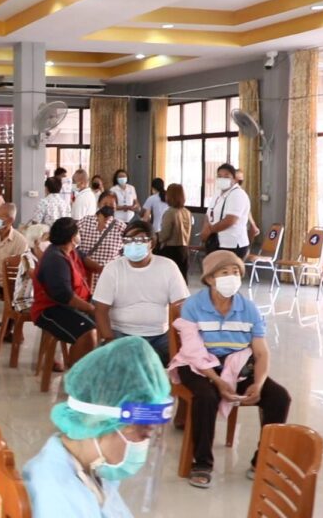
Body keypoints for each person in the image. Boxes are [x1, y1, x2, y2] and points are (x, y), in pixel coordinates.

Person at [168, 251, 291, 489]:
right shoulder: (193, 305)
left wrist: (259, 383)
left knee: (279, 397)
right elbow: (193, 350)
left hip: (236, 365)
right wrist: (217, 380)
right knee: (206, 396)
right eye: (224, 273)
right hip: (197, 365)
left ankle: (263, 461)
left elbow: (261, 353)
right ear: (210, 279)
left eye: (236, 272)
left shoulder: (249, 309)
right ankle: (202, 463)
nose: (232, 277)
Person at [23, 336, 173, 518]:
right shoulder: (57, 496)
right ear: (105, 423)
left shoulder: (90, 468)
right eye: (144, 435)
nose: (144, 447)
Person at [93, 220, 190, 364]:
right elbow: (101, 309)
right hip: (122, 334)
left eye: (139, 240)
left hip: (161, 335)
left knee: (188, 361)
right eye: (128, 240)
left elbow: (180, 305)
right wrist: (109, 339)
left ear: (152, 243)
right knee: (125, 367)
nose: (133, 244)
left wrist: (180, 338)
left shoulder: (168, 266)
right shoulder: (113, 268)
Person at [30, 217, 97, 367]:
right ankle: (75, 376)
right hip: (49, 309)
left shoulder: (70, 250)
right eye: (78, 233)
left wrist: (103, 269)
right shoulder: (55, 259)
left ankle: (96, 372)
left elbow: (85, 259)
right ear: (73, 238)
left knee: (109, 324)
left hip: (71, 305)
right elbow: (64, 296)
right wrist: (91, 309)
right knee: (88, 333)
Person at [77, 191, 127, 290]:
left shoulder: (121, 227)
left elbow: (126, 253)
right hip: (85, 277)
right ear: (99, 204)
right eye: (105, 204)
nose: (108, 207)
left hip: (109, 279)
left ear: (116, 207)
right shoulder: (85, 222)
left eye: (111, 205)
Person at [200, 163, 251, 258]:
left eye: (226, 176)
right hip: (215, 242)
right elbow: (209, 214)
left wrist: (209, 230)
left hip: (231, 244)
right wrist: (205, 228)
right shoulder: (218, 193)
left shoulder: (238, 194)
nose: (222, 179)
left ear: (234, 179)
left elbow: (230, 220)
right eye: (219, 176)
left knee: (226, 268)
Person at [157, 183, 193, 280]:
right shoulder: (187, 212)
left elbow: (165, 235)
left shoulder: (170, 212)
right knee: (182, 278)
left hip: (171, 250)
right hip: (184, 249)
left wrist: (156, 237)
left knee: (169, 279)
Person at [234, 169, 261, 240]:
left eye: (241, 178)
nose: (239, 180)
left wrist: (253, 225)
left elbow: (247, 210)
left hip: (238, 231)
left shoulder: (242, 194)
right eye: (237, 178)